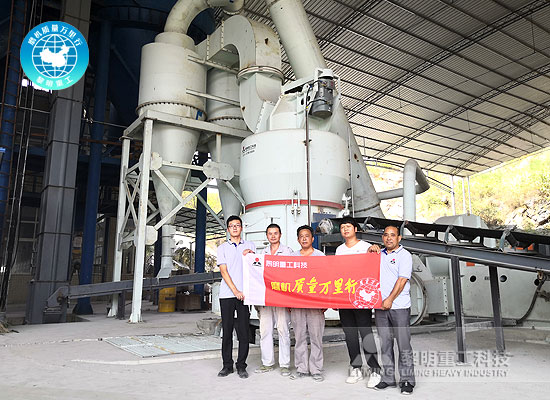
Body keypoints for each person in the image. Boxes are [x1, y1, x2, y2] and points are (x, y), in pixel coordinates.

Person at [335, 217, 382, 387]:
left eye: (348, 226)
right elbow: (337, 275)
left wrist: (375, 250)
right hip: (344, 298)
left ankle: (375, 370)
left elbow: (375, 264)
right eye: (342, 227)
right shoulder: (339, 250)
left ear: (355, 229)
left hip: (362, 298)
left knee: (365, 332)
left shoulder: (365, 247)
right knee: (350, 335)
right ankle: (356, 368)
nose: (345, 229)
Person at [243, 223, 293, 376]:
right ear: (267, 236)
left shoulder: (288, 252)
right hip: (264, 299)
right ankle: (267, 363)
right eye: (270, 233)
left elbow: (293, 274)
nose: (273, 236)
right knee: (265, 331)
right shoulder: (261, 254)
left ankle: (285, 364)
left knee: (283, 330)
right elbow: (255, 273)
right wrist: (249, 255)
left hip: (282, 298)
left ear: (280, 235)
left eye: (275, 233)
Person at [373, 225, 415, 394]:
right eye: (385, 235)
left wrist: (390, 299)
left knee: (403, 345)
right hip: (381, 307)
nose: (389, 238)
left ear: (399, 238)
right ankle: (388, 378)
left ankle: (407, 380)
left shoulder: (405, 255)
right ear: (382, 238)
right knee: (385, 344)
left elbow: (402, 280)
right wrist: (370, 249)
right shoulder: (379, 255)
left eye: (392, 235)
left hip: (399, 307)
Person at [216, 215, 255, 379]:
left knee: (244, 331)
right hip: (227, 294)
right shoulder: (222, 248)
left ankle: (241, 365)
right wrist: (235, 291)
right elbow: (224, 272)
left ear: (241, 228)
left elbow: (256, 267)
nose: (234, 228)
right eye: (231, 225)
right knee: (227, 330)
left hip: (245, 295)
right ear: (228, 229)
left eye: (237, 225)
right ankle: (227, 365)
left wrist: (250, 255)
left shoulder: (250, 245)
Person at [289, 225, 326, 382]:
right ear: (298, 239)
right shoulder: (292, 257)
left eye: (307, 236)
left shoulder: (320, 256)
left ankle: (316, 369)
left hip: (315, 304)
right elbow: (286, 279)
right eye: (301, 236)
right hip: (297, 303)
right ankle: (302, 368)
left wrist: (325, 302)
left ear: (312, 238)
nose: (304, 239)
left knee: (316, 337)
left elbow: (326, 279)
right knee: (299, 337)